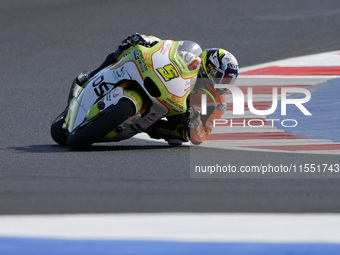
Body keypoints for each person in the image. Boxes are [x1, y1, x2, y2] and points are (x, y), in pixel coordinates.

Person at [72, 33, 239, 145]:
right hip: (166, 84)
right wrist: (148, 40)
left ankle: (145, 125)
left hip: (179, 110)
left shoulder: (217, 103)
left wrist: (194, 119)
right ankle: (93, 73)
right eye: (221, 77)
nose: (223, 83)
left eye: (229, 80)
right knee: (132, 42)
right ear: (209, 67)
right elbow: (168, 48)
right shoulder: (192, 60)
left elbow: (201, 137)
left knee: (181, 136)